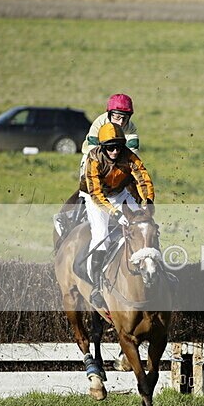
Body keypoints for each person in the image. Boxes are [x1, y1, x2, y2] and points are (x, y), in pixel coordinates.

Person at [82, 122, 154, 308]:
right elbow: (96, 193)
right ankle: (96, 286)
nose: (115, 151)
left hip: (120, 194)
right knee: (101, 236)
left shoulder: (129, 156)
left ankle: (158, 271)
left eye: (118, 147)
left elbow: (143, 179)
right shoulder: (93, 159)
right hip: (97, 199)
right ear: (102, 147)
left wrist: (148, 202)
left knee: (145, 226)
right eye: (110, 148)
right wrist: (115, 213)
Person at [53, 94, 140, 237]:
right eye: (117, 117)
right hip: (92, 158)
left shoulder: (131, 129)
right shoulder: (99, 123)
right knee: (89, 188)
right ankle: (71, 218)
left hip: (118, 161)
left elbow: (132, 156)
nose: (121, 122)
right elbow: (93, 152)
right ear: (109, 114)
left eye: (125, 118)